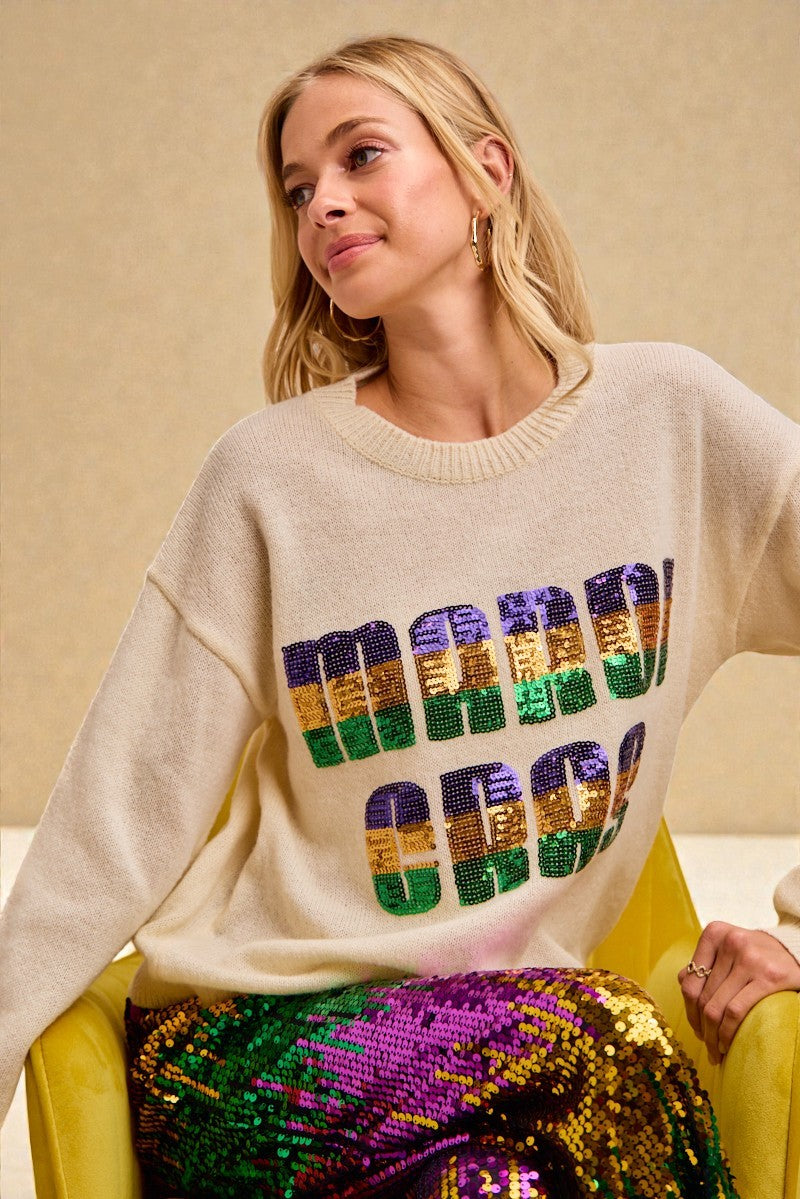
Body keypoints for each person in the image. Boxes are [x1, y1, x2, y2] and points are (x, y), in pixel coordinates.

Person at [1, 32, 798, 1199]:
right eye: (295, 189)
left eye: (359, 155)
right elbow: (115, 813)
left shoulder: (668, 424)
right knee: (609, 1043)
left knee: (497, 1179)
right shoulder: (267, 479)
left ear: (486, 172)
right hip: (256, 1051)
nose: (322, 202)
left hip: (529, 1072)